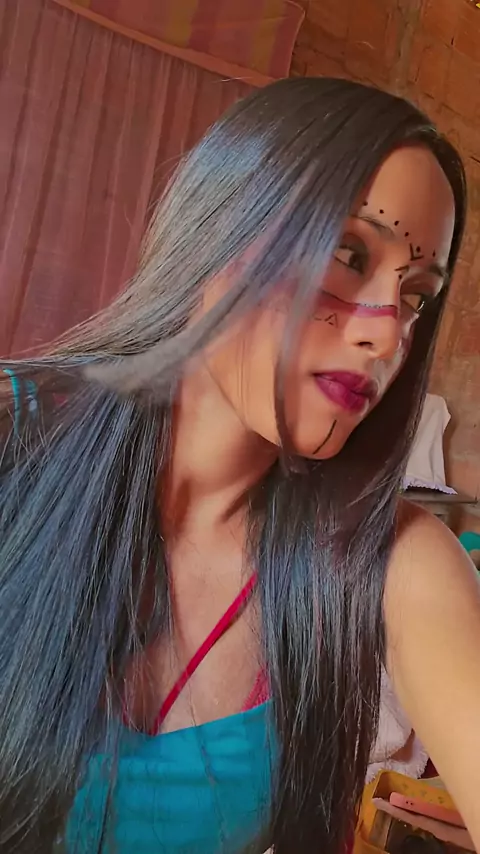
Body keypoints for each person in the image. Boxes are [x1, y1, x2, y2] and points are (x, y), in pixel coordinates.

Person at [0, 77, 479, 854]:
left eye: (417, 297)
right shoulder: (15, 438)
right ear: (222, 230)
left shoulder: (389, 559)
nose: (387, 334)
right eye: (349, 253)